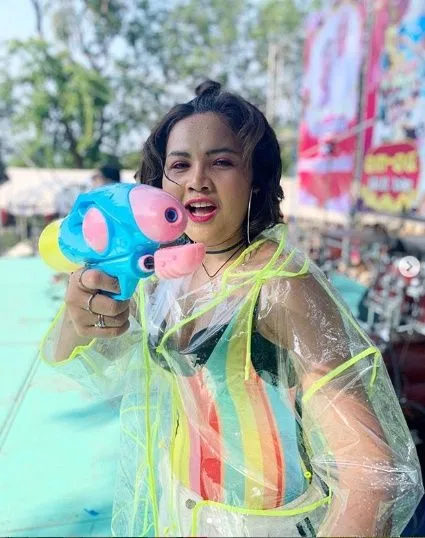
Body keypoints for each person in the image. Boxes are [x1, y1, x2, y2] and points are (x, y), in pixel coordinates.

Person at [39, 80, 423, 537]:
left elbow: (370, 473)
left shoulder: (280, 286)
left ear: (255, 177)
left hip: (263, 524)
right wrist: (81, 312)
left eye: (221, 162)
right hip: (178, 511)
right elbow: (82, 363)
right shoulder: (161, 273)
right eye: (179, 164)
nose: (197, 179)